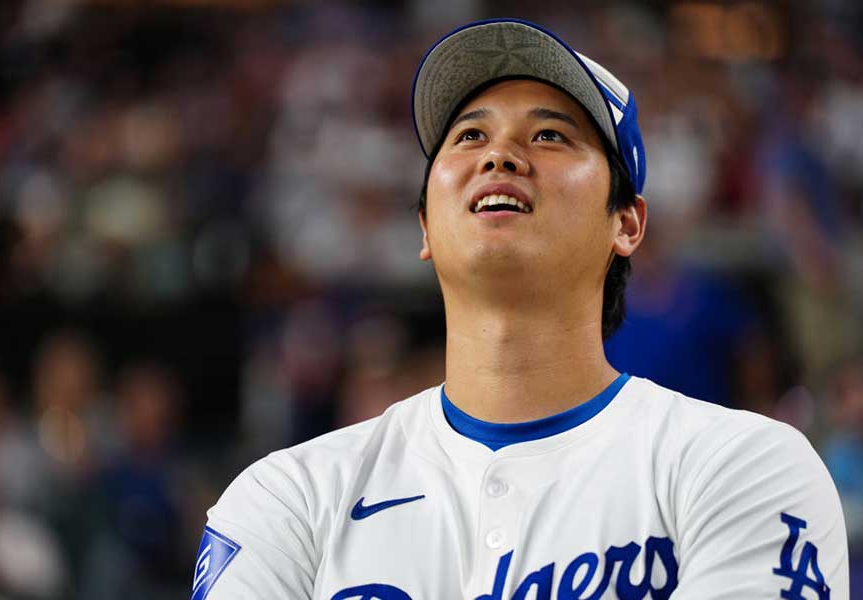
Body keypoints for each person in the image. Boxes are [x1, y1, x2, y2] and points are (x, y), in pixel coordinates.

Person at [190, 19, 848, 599]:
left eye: (551, 136)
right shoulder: (288, 499)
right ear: (423, 225)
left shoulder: (745, 467)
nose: (500, 154)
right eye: (469, 135)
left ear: (627, 223)